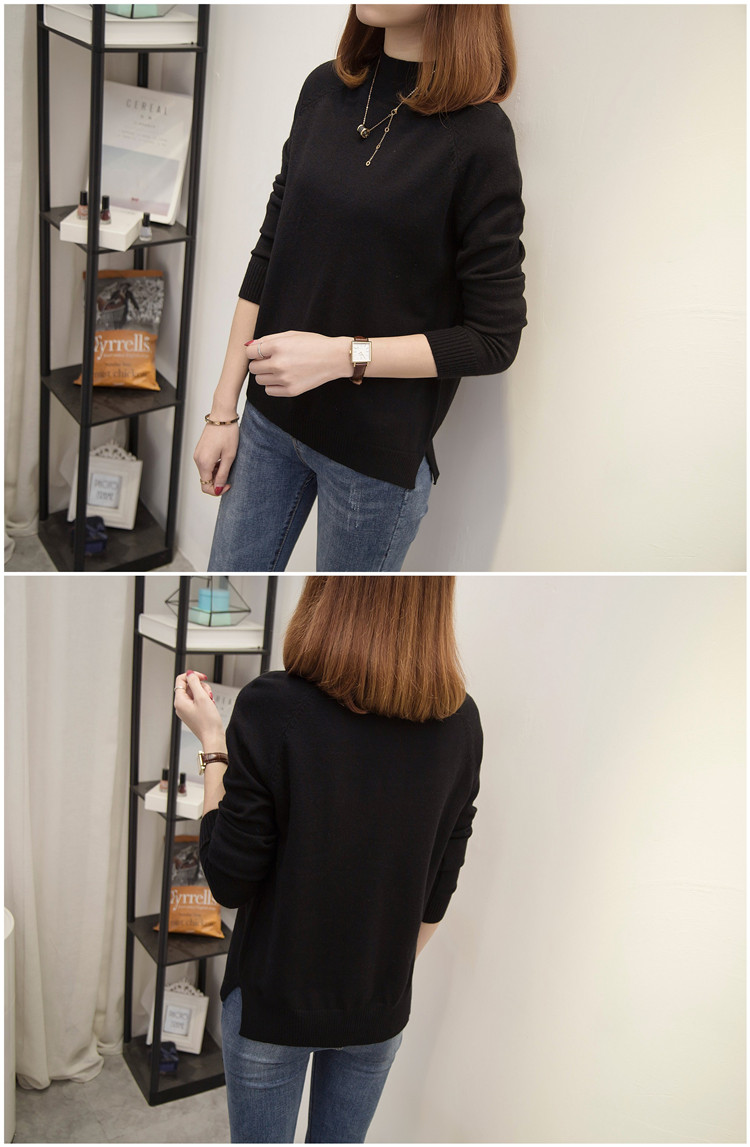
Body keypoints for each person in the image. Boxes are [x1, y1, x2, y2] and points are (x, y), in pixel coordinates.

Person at [196, 4, 527, 572]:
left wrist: (340, 357)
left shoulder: (479, 137)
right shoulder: (322, 90)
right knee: (224, 590)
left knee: (345, 618)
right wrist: (223, 410)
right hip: (268, 421)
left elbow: (494, 340)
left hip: (373, 460)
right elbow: (269, 254)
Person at [173, 576, 483, 1142]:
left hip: (272, 1007)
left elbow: (227, 881)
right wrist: (374, 976)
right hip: (378, 1009)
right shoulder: (461, 722)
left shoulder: (273, 706)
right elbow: (439, 888)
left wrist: (212, 745)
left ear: (331, 595)